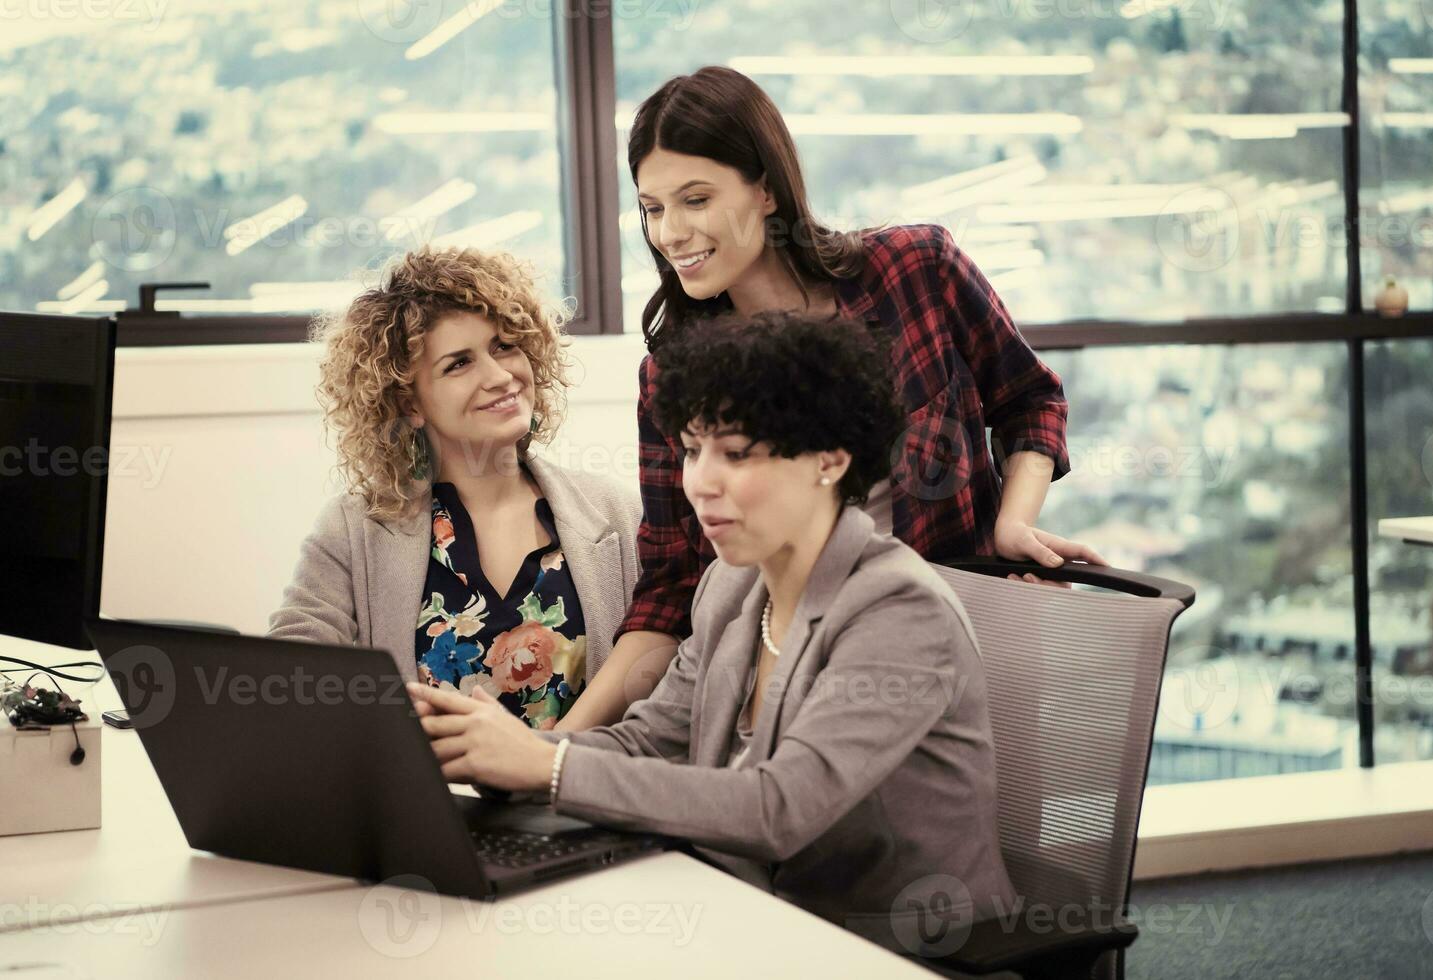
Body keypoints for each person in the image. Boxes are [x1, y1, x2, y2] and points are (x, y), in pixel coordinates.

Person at [407, 311, 1018, 949]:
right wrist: (504, 754)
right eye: (694, 450)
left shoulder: (899, 612)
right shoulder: (733, 584)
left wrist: (550, 766)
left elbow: (778, 810)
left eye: (736, 453)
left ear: (830, 462)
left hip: (899, 949)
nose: (700, 482)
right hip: (751, 922)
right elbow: (650, 739)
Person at [557, 65, 1104, 732]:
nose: (669, 233)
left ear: (765, 190)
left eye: (695, 200)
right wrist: (560, 742)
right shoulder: (675, 372)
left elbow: (1029, 400)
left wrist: (1011, 524)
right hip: (787, 689)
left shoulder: (916, 269)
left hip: (958, 641)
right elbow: (671, 590)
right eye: (652, 207)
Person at [269, 246, 641, 730]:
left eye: (505, 345)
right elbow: (290, 675)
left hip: (574, 796)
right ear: (408, 402)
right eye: (459, 364)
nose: (500, 376)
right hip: (430, 799)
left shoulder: (617, 512)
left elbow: (665, 684)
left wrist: (544, 761)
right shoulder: (354, 527)